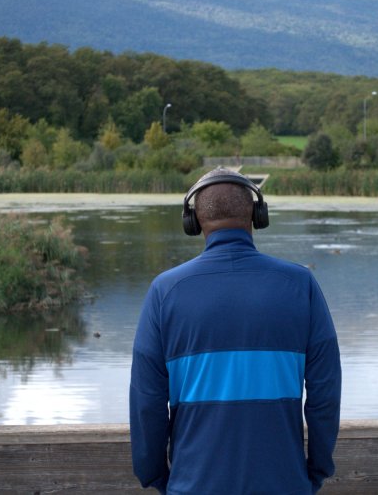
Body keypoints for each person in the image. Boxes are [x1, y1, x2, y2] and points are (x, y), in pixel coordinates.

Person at [130, 167, 342, 494]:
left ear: (193, 221)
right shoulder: (301, 285)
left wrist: (158, 477)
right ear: (257, 215)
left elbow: (148, 404)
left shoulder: (164, 292)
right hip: (285, 484)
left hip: (192, 485)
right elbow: (324, 395)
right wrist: (315, 471)